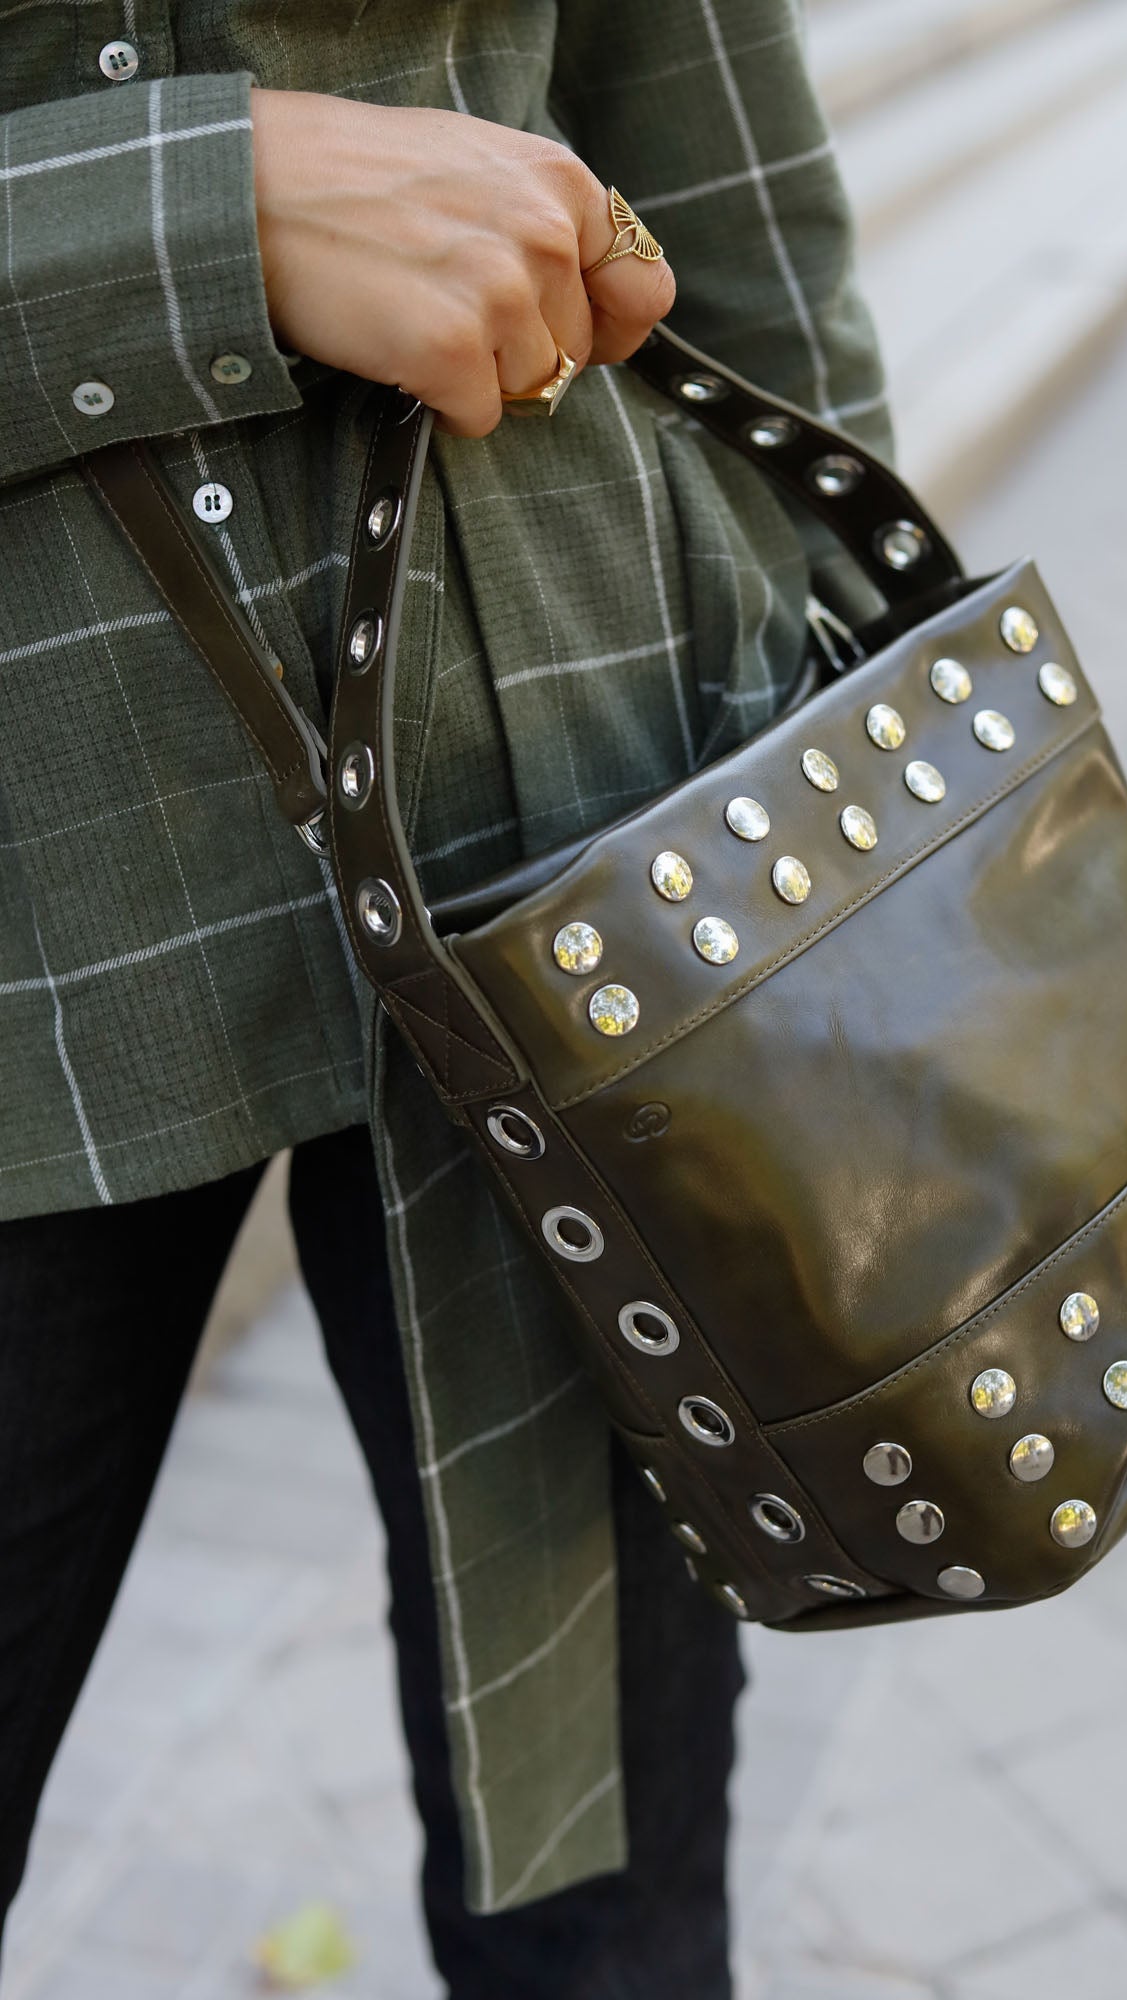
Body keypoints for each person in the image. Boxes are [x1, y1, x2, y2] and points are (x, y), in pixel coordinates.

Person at [0, 5, 895, 1993]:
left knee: (608, 1902)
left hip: (571, 792)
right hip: (30, 879)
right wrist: (177, 213)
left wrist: (863, 775)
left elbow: (704, 128)